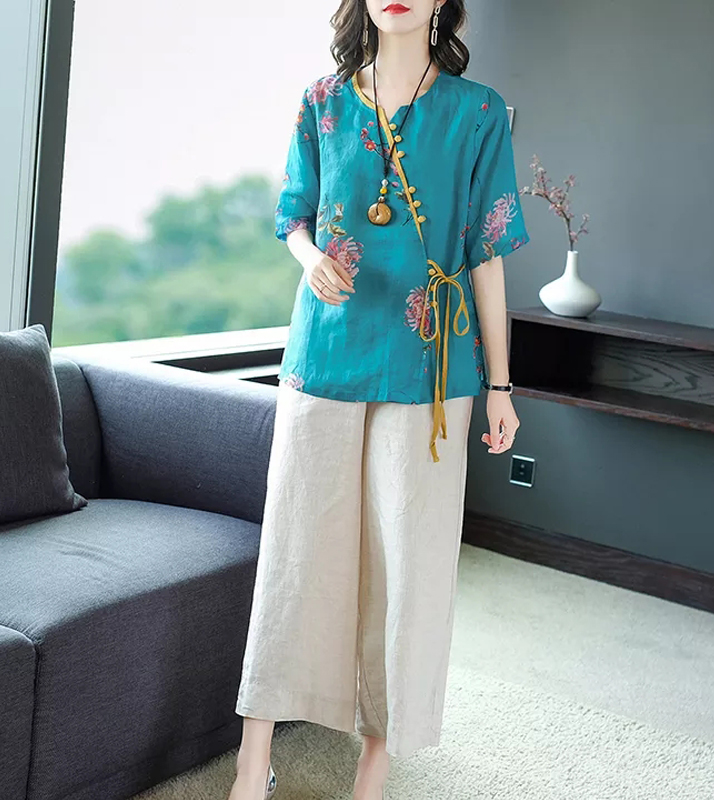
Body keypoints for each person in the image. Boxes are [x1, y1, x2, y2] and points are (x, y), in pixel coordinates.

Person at [228, 1, 530, 798]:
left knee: (409, 564)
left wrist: (501, 384)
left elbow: (488, 253)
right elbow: (293, 215)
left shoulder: (478, 114)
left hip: (431, 369)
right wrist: (309, 259)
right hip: (325, 355)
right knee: (296, 556)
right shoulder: (322, 101)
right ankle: (254, 759)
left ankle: (377, 758)